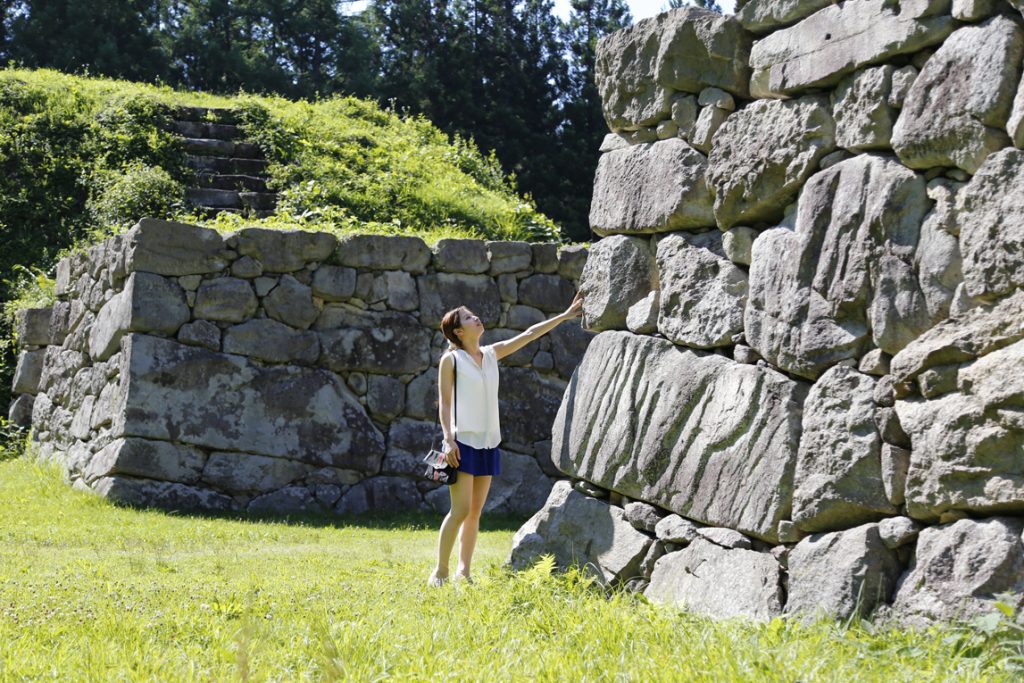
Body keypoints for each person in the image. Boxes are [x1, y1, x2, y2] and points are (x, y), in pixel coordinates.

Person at [428, 292, 584, 586]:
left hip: (488, 442)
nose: (476, 318)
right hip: (462, 443)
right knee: (460, 510)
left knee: (475, 512)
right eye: (469, 317)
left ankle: (464, 572)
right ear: (459, 331)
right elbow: (445, 403)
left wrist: (565, 315)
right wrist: (448, 440)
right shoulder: (451, 360)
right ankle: (440, 572)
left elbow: (529, 333)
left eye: (474, 315)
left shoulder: (490, 354)